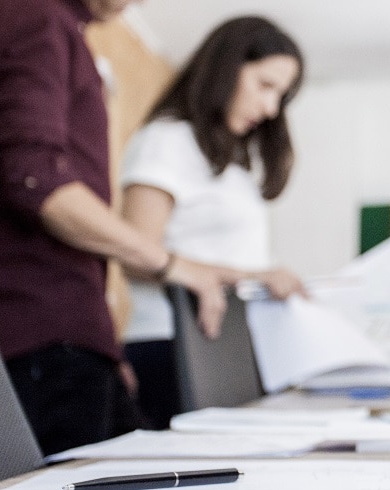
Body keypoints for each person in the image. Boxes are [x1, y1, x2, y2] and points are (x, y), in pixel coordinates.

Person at [0, 0, 238, 456]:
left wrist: (101, 344)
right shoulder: (36, 19)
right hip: (40, 339)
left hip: (63, 339)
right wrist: (170, 264)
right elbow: (38, 183)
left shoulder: (52, 27)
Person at [119, 16, 308, 429]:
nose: (272, 108)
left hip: (228, 347)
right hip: (174, 349)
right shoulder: (167, 141)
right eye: (265, 86)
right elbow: (134, 253)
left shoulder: (233, 164)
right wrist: (256, 275)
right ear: (227, 68)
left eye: (282, 96)